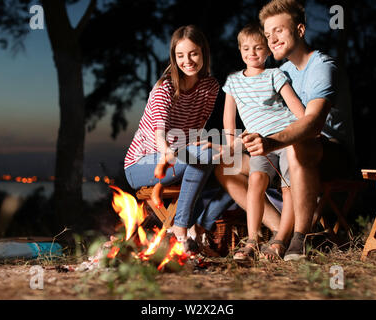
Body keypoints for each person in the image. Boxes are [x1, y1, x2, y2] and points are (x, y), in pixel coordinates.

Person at [215, 0, 355, 261]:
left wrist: (270, 142)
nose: (271, 39)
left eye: (279, 30)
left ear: (300, 30)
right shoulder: (282, 71)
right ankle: (278, 230)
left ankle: (298, 239)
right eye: (267, 34)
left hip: (330, 151)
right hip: (284, 147)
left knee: (295, 145)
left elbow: (312, 124)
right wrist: (233, 142)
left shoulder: (322, 67)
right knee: (226, 166)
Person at [123, 25, 221, 254]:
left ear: (203, 53)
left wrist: (206, 146)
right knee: (203, 157)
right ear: (173, 58)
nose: (187, 60)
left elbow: (196, 131)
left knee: (227, 164)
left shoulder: (210, 87)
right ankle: (180, 228)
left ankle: (199, 228)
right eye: (180, 55)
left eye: (193, 53)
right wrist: (168, 152)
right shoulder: (165, 87)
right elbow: (159, 133)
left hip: (180, 158)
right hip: (142, 163)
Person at [220, 24, 305, 261]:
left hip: (286, 138)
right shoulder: (233, 81)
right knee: (256, 180)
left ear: (268, 51)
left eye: (258, 48)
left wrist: (306, 129)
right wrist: (229, 145)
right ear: (240, 50)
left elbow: (296, 107)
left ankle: (280, 241)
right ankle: (252, 239)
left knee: (288, 186)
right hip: (259, 144)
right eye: (246, 48)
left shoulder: (274, 75)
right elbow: (229, 118)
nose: (252, 53)